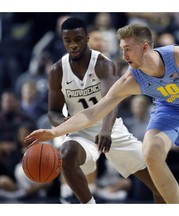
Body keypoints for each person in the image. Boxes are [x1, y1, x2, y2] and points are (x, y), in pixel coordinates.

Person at [25, 23, 179, 204]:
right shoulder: (131, 79)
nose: (124, 55)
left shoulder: (178, 56)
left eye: (128, 49)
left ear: (145, 47)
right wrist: (54, 131)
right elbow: (93, 113)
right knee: (150, 152)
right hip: (169, 107)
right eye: (121, 50)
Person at [26, 17, 164, 204]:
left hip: (110, 127)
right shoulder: (57, 70)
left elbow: (112, 100)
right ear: (62, 40)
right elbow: (53, 112)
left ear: (87, 38)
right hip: (80, 129)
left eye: (78, 39)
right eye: (68, 41)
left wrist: (106, 130)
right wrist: (65, 125)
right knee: (66, 153)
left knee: (160, 184)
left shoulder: (102, 64)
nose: (73, 45)